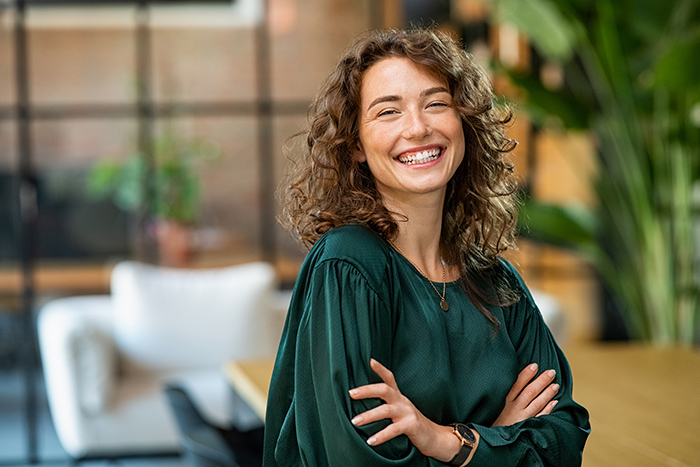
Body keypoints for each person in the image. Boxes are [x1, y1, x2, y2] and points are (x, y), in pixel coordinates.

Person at [263, 27, 590, 466]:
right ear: (356, 144)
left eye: (436, 104)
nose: (418, 128)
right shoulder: (349, 265)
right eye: (387, 112)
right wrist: (496, 439)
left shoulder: (497, 281)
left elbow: (564, 440)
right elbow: (356, 459)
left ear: (464, 123)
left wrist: (444, 440)